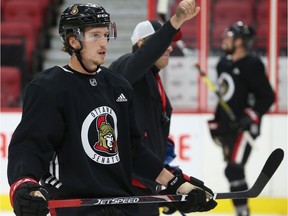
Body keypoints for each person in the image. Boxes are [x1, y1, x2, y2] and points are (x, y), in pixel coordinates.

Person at [7, 2, 217, 216]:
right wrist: (24, 183)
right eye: (95, 35)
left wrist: (176, 183)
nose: (103, 43)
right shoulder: (49, 87)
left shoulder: (118, 86)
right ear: (73, 41)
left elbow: (134, 150)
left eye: (106, 35)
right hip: (77, 209)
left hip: (122, 207)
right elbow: (29, 145)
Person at [109, 0, 203, 215]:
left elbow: (153, 138)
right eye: (163, 42)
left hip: (146, 186)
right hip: (127, 189)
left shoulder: (153, 80)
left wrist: (167, 182)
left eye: (169, 42)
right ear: (142, 44)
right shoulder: (127, 66)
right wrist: (175, 21)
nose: (169, 46)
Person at [208, 21, 275, 216]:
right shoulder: (223, 64)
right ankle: (242, 211)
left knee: (233, 170)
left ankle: (242, 212)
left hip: (245, 129)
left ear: (239, 41)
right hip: (228, 127)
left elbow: (267, 97)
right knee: (232, 171)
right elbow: (223, 97)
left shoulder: (252, 65)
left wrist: (250, 117)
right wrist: (216, 121)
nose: (224, 40)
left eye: (229, 36)